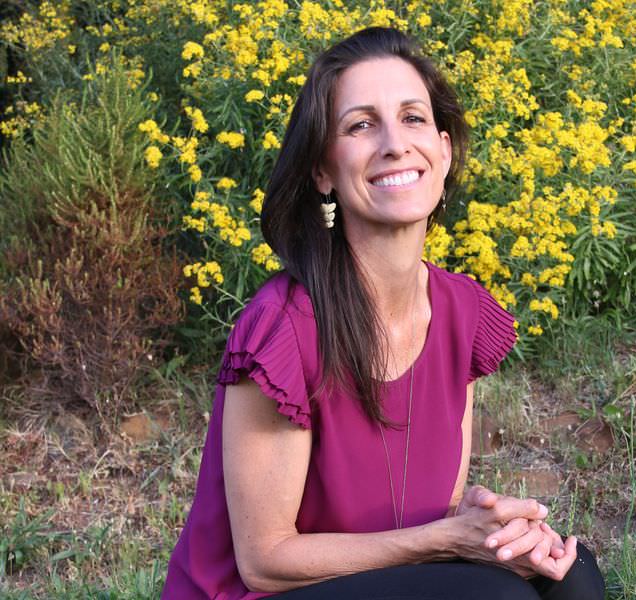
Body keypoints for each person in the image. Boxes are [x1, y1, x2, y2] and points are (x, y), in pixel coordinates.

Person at [163, 26, 605, 600]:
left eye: (413, 118)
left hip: (385, 578)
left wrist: (487, 527)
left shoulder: (461, 310)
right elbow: (265, 561)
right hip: (266, 593)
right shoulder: (283, 328)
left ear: (443, 152)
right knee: (495, 599)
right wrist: (447, 541)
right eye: (361, 124)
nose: (394, 143)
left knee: (572, 577)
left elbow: (432, 510)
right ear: (323, 171)